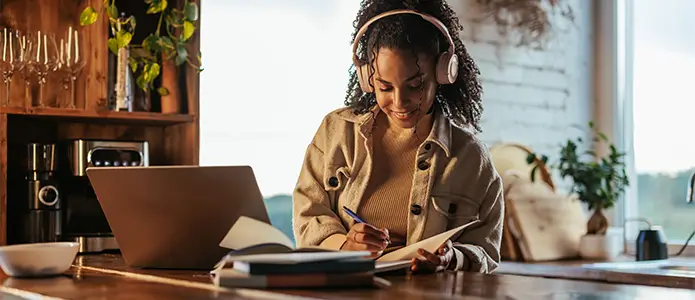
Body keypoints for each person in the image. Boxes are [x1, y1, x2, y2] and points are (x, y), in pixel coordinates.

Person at [292, 0, 504, 274]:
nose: (400, 102)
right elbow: (308, 213)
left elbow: (486, 249)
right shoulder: (336, 131)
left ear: (444, 72)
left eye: (415, 85)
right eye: (385, 87)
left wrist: (452, 259)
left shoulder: (470, 158)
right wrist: (346, 245)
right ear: (368, 77)